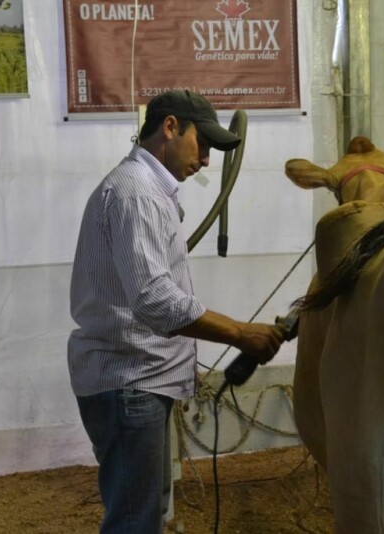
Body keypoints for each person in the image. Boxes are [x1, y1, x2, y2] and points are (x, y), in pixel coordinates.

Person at [67, 89, 284, 533]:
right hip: (130, 383)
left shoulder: (147, 190)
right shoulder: (136, 194)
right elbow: (156, 301)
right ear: (169, 127)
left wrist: (182, 360)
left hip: (140, 378)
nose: (206, 160)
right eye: (201, 144)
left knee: (147, 511)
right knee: (134, 520)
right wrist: (241, 334)